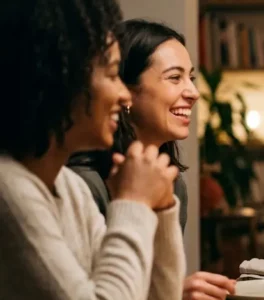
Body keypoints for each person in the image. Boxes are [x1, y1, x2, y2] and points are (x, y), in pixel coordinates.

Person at [0, 0, 184, 299]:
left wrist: (160, 210)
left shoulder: (70, 188)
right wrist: (134, 203)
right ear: (62, 78)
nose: (124, 95)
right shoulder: (9, 191)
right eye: (113, 75)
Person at [67, 19, 236, 300]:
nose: (193, 93)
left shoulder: (172, 184)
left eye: (190, 78)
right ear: (126, 92)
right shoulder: (83, 184)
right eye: (174, 78)